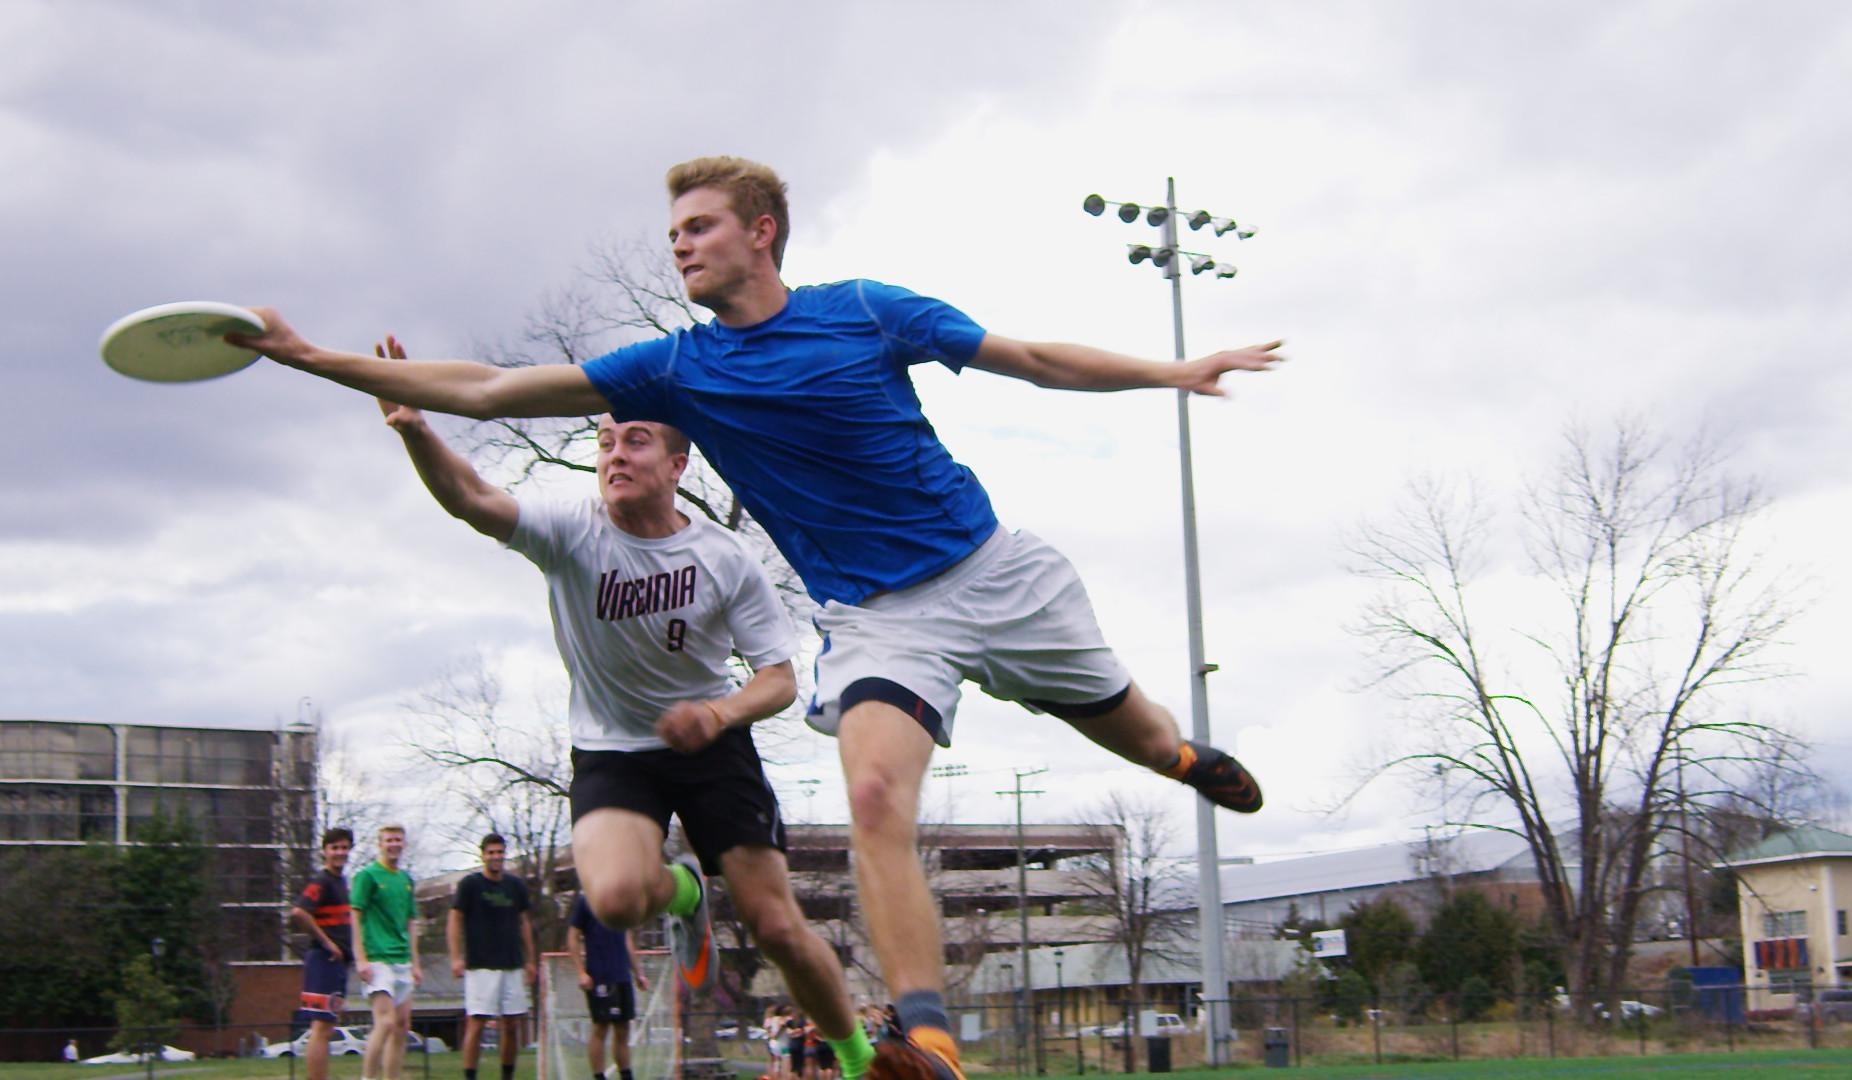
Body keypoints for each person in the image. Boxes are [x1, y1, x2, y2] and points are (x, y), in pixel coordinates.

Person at [237, 154, 1277, 1080]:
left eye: (698, 227)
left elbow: (1036, 360)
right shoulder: (680, 369)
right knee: (873, 792)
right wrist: (316, 358)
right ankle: (927, 1043)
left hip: (997, 576)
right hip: (878, 621)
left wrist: (1173, 370)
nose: (681, 245)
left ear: (760, 231)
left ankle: (1182, 759)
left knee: (1142, 736)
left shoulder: (867, 311)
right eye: (674, 234)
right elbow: (491, 389)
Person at [369, 362, 878, 1078]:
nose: (614, 456)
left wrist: (717, 712)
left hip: (712, 747)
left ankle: (861, 1062)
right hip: (613, 750)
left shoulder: (723, 557)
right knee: (610, 901)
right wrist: (417, 428)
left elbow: (780, 680)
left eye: (634, 442)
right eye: (604, 442)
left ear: (677, 463)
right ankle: (685, 889)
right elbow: (471, 496)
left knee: (776, 927)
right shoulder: (569, 532)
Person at [450, 833, 537, 1080]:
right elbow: (455, 920)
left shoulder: (515, 886)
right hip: (481, 965)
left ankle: (507, 1075)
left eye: (500, 852)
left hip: (512, 963)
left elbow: (524, 922)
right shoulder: (470, 885)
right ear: (483, 855)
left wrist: (530, 960)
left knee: (512, 1024)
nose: (496, 857)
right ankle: (470, 1075)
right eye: (491, 853)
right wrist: (456, 957)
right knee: (476, 1023)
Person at [350, 825, 420, 1080]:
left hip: (401, 959)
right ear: (379, 844)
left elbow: (411, 923)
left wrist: (415, 962)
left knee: (401, 1026)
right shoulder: (367, 876)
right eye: (389, 840)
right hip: (377, 959)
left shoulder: (406, 881)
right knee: (386, 1021)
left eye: (398, 840)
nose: (394, 844)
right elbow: (355, 915)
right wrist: (360, 958)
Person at [289, 827, 355, 1080]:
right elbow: (299, 912)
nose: (340, 852)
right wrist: (327, 943)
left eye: (344, 847)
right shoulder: (322, 881)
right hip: (323, 961)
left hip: (338, 963)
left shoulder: (342, 883)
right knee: (321, 1027)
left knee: (328, 1027)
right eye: (334, 848)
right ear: (325, 851)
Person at [568, 894, 650, 1080]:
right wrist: (581, 972)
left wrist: (638, 972)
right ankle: (599, 1076)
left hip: (622, 976)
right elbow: (573, 936)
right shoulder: (586, 900)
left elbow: (626, 938)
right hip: (600, 976)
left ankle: (626, 1075)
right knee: (601, 1027)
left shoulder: (622, 900)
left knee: (623, 1028)